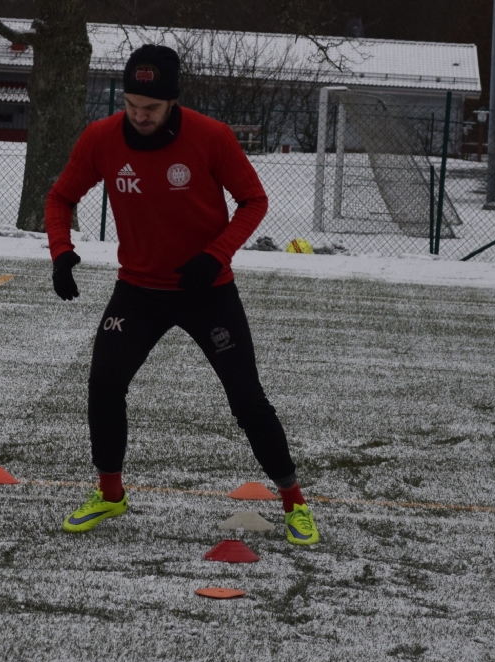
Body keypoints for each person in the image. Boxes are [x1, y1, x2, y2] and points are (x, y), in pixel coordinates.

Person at [44, 44, 319, 545]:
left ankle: (294, 501)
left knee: (247, 400)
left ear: (173, 101)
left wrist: (215, 255)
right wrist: (61, 252)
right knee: (104, 384)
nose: (139, 115)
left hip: (207, 291)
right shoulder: (101, 138)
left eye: (150, 107)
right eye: (131, 105)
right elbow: (61, 197)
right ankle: (110, 494)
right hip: (138, 290)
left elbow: (254, 200)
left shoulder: (212, 137)